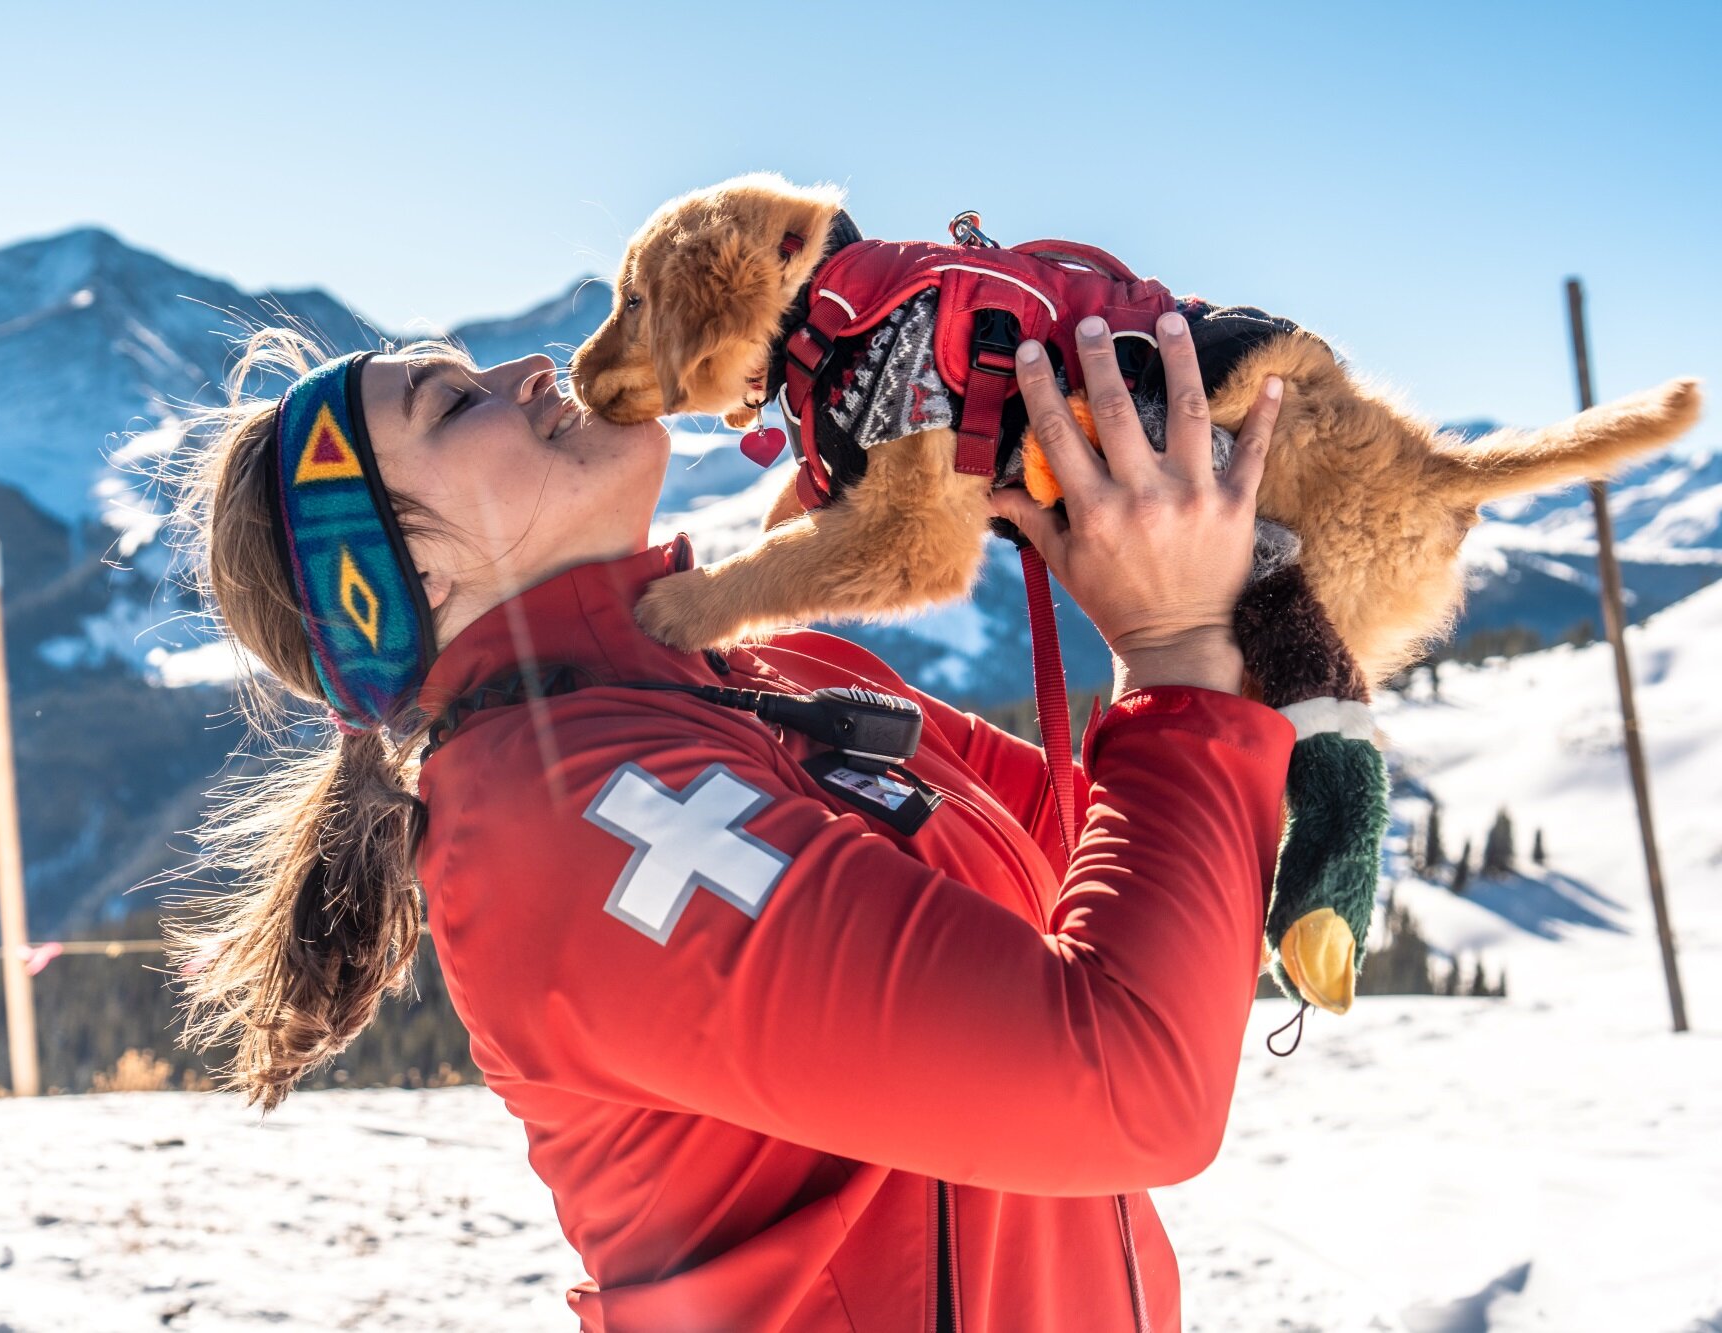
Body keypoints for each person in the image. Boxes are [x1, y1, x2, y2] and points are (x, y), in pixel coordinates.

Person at [168, 309, 1292, 1333]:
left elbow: (1139, 875)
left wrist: (1201, 546)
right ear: (404, 570)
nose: (525, 370)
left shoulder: (767, 673)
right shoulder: (553, 828)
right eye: (454, 403)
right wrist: (1176, 648)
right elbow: (1126, 1081)